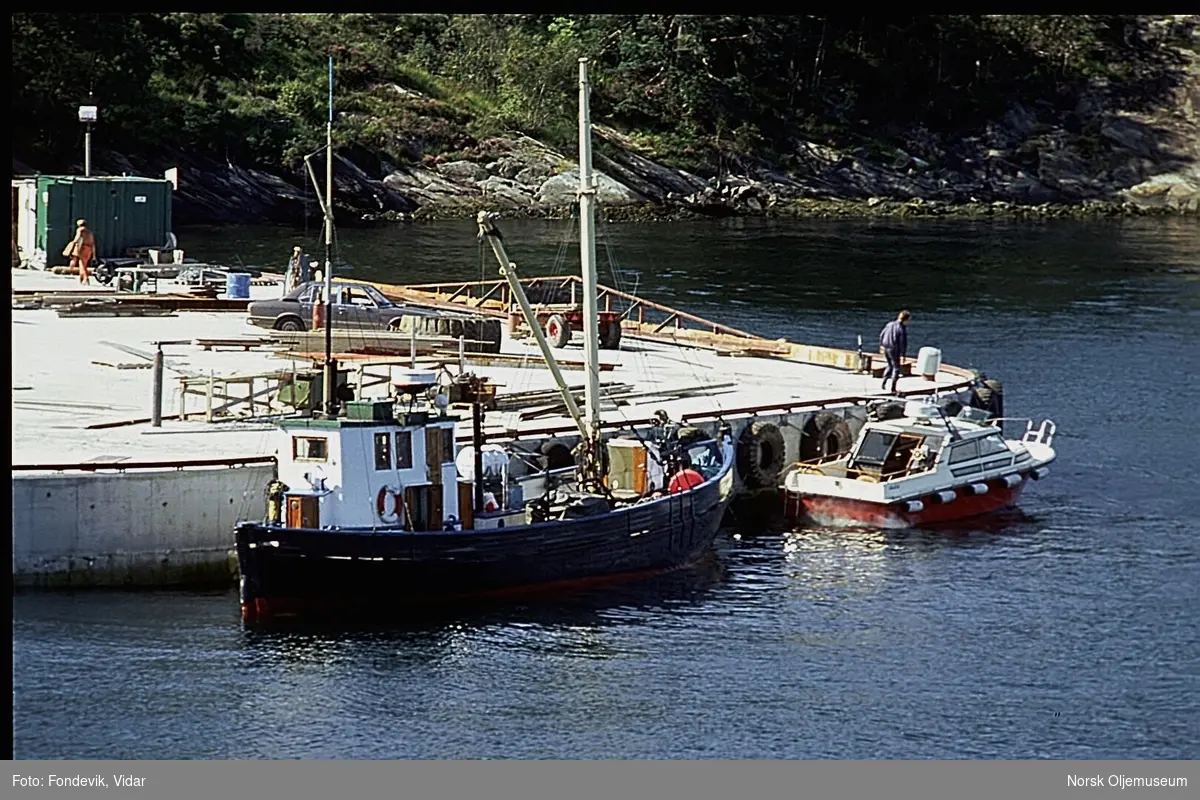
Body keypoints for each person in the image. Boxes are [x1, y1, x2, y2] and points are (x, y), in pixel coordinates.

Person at [878, 310, 911, 394]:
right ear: (906, 320)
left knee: (889, 365)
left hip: (886, 347)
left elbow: (881, 334)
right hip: (894, 349)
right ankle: (893, 388)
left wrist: (881, 345)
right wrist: (903, 354)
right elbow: (903, 342)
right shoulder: (901, 328)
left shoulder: (889, 324)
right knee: (896, 367)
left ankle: (884, 382)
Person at [63, 219, 96, 285]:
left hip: (82, 248)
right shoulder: (90, 233)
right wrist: (94, 255)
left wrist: (73, 244)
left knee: (82, 264)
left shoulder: (80, 230)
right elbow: (93, 243)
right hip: (89, 249)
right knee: (83, 264)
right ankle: (82, 278)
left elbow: (77, 238)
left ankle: (86, 278)